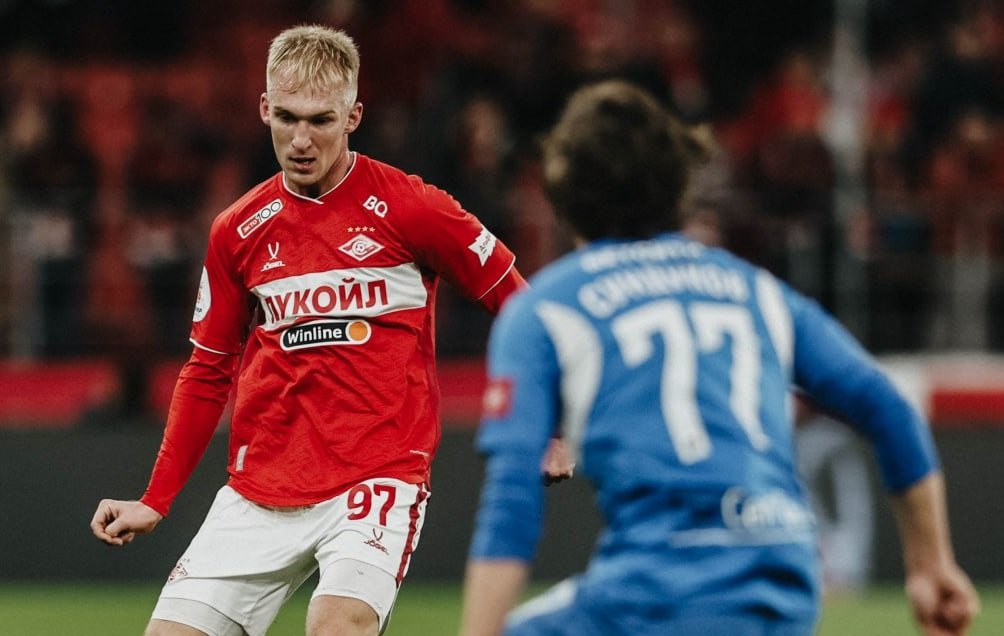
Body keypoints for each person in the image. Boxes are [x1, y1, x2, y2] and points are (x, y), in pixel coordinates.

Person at [90, 25, 569, 636]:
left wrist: (553, 420)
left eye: (321, 120)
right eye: (287, 118)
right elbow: (208, 369)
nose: (301, 140)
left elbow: (522, 307)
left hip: (376, 480)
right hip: (259, 488)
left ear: (353, 117)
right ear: (264, 108)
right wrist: (155, 498)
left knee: (337, 626)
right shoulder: (237, 230)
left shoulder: (414, 207)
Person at [459, 80, 980, 636]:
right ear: (677, 184)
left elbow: (513, 497)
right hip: (782, 582)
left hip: (657, 591)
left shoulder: (546, 308)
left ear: (563, 193)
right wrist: (931, 566)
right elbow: (890, 409)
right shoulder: (756, 290)